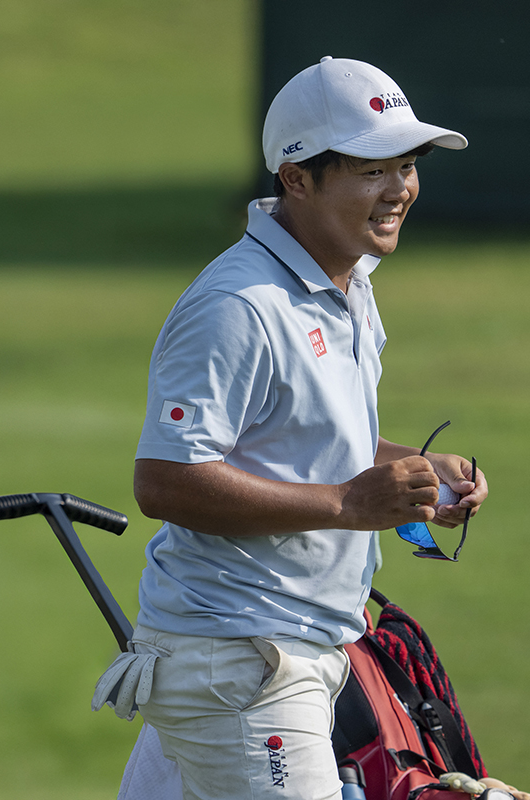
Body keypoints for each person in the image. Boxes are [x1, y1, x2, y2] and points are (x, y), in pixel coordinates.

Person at [94, 57, 487, 800]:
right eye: (372, 168)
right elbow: (166, 479)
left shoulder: (353, 284)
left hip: (271, 653)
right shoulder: (237, 305)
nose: (400, 188)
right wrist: (349, 504)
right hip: (241, 666)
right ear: (297, 178)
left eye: (406, 165)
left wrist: (416, 476)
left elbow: (306, 441)